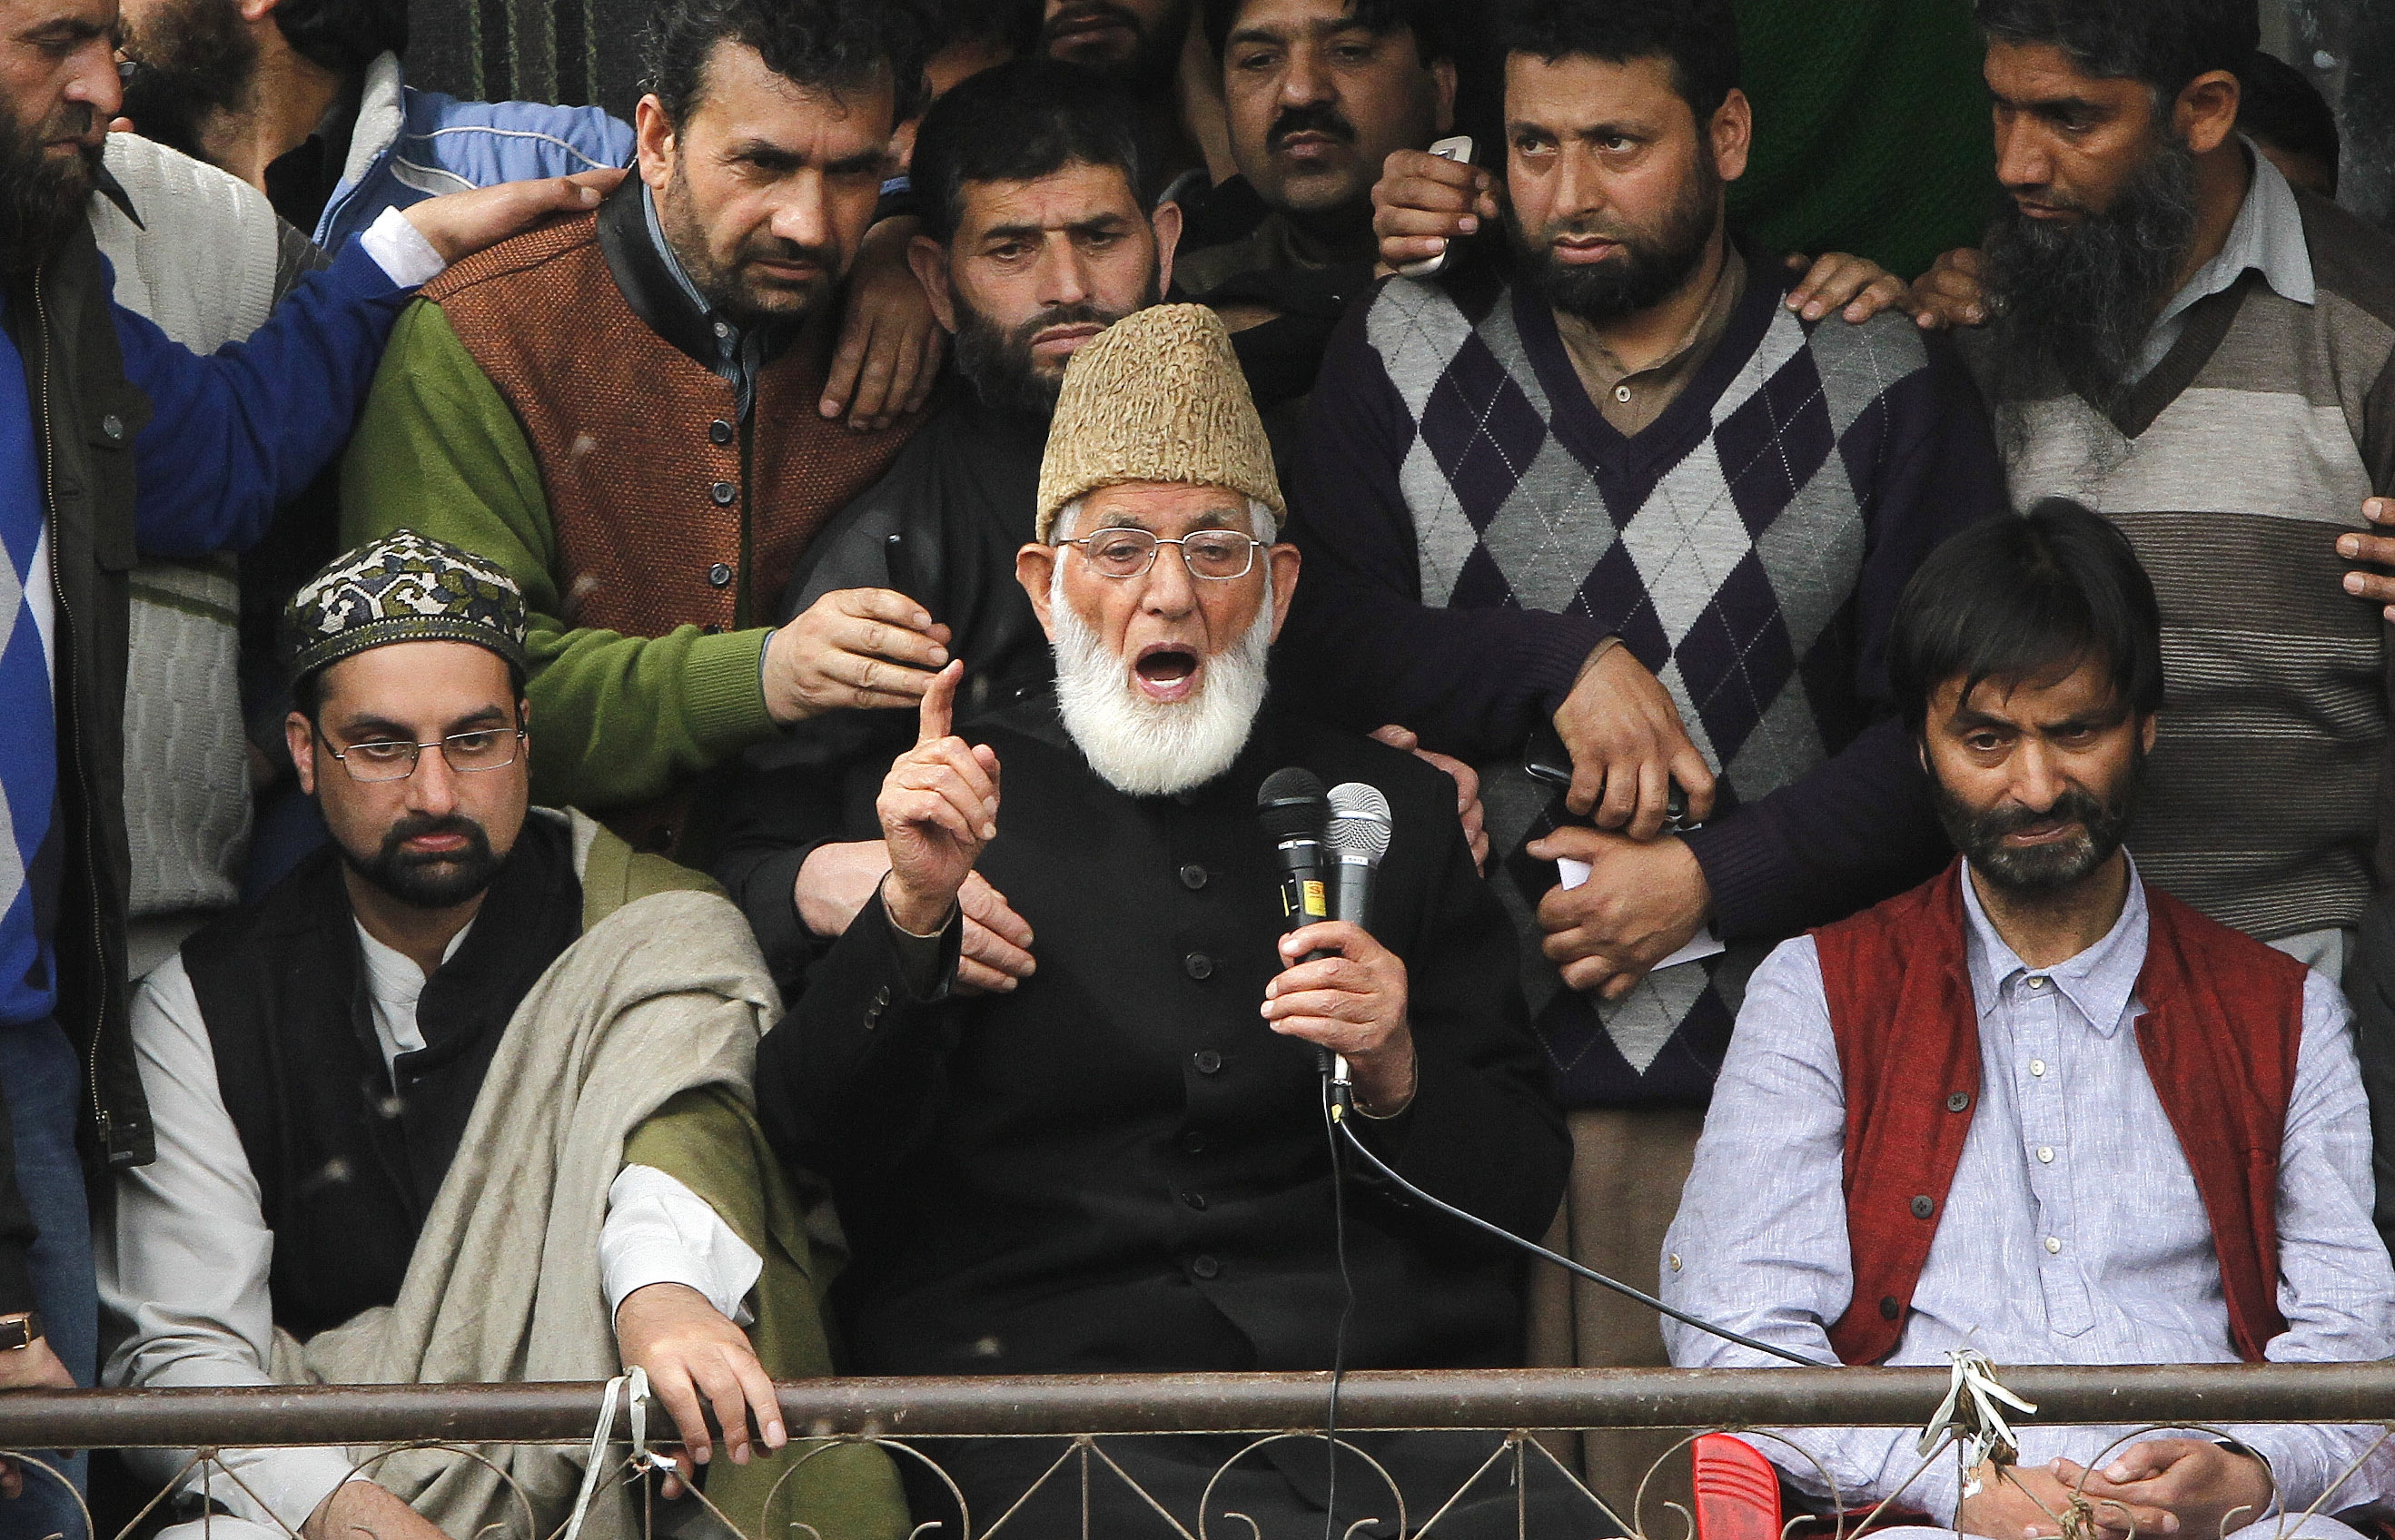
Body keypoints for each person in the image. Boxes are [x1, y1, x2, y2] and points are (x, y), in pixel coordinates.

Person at [1277, 0, 2008, 1494]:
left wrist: (1706, 882)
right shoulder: (1402, 347)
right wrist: (1554, 661)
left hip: (1779, 1103)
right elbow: (1312, 630)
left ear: (1724, 138)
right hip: (1458, 1092)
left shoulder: (1875, 377)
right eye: (1534, 146)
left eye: (1618, 144)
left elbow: (1953, 738)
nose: (1569, 190)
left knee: (1727, 1506)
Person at [756, 303, 1578, 1536]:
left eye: (1214, 547)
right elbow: (816, 1137)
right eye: (1123, 546)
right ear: (1044, 586)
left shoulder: (1390, 813)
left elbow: (1517, 1185)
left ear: (1279, 586)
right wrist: (910, 916)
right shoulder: (957, 806)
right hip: (1034, 1427)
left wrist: (1396, 1068)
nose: (1169, 595)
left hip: (1365, 1427)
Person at [0, 0, 611, 1514]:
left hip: (22, 1039)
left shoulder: (46, 298)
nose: (107, 81)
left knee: (56, 1490)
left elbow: (223, 450)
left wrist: (407, 251)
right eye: (56, 40)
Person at [98, 533, 906, 1540]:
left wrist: (661, 1300)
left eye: (474, 741)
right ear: (306, 753)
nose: (435, 793)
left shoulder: (643, 923)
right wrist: (364, 1521)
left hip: (617, 1479)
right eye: (384, 746)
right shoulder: (199, 1009)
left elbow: (681, 1139)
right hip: (336, 1485)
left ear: (526, 735)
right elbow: (190, 1360)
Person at [1663, 499, 2395, 1540]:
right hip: (1929, 1514)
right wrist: (1960, 1481)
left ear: (2147, 723)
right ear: (1921, 744)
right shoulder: (1817, 990)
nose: (2036, 784)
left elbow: (2354, 1357)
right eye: (1985, 740)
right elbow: (1736, 1334)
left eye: (2076, 730)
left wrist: (2247, 1470)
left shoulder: (2285, 1012)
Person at [340, 0, 955, 864]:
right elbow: (448, 705)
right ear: (658, 139)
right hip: (544, 928)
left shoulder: (909, 314)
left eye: (853, 175)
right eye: (761, 164)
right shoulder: (482, 337)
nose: (808, 224)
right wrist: (761, 675)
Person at [1176, 0, 1457, 416]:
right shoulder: (1183, 277)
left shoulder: (1523, 258)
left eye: (1349, 51)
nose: (1300, 92)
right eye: (1259, 60)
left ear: (1439, 91)